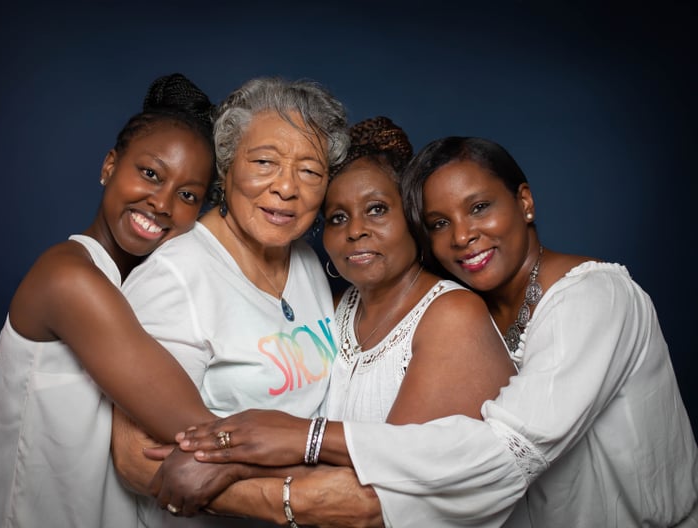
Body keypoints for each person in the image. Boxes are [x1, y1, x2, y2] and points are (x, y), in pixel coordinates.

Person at [175, 135, 698, 527]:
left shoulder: (595, 297)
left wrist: (284, 446)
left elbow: (507, 451)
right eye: (440, 222)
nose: (463, 235)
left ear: (525, 201)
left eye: (479, 208)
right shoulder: (475, 303)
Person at [141, 118, 517, 525]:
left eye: (376, 210)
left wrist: (234, 463)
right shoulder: (338, 308)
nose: (356, 230)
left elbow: (388, 481)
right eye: (337, 217)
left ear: (412, 217)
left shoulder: (450, 314)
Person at [0, 73, 220, 527]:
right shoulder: (70, 279)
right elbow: (200, 432)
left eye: (187, 195)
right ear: (109, 166)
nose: (161, 203)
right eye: (150, 174)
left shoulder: (149, 288)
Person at [108, 75, 350, 527]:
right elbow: (136, 459)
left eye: (310, 171)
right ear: (226, 168)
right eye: (264, 162)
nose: (287, 187)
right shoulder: (176, 277)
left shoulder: (307, 261)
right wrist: (299, 498)